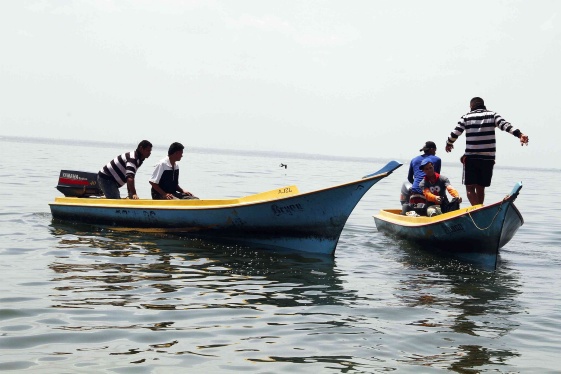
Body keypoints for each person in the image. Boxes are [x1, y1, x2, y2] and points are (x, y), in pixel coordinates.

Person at [445, 97, 529, 205]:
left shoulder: (466, 117)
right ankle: (480, 209)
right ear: (483, 105)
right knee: (481, 188)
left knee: (470, 188)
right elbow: (505, 125)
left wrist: (449, 144)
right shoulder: (492, 115)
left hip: (471, 157)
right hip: (488, 158)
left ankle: (477, 210)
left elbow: (454, 133)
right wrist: (520, 135)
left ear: (471, 106)